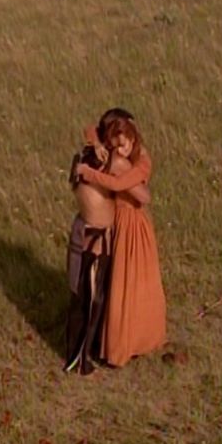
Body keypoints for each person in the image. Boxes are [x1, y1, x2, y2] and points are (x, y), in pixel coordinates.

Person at [77, 115, 167, 367]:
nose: (120, 150)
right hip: (124, 222)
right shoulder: (119, 157)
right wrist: (97, 145)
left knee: (131, 281)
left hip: (132, 224)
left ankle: (131, 339)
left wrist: (89, 171)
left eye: (124, 144)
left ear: (133, 138)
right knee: (123, 281)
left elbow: (139, 193)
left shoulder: (134, 159)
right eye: (115, 145)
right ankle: (123, 340)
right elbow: (90, 128)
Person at [64, 139, 150, 375]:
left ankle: (87, 350)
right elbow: (143, 195)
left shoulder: (89, 158)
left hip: (93, 239)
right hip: (92, 242)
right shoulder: (104, 163)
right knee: (89, 302)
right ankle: (77, 358)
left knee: (93, 299)